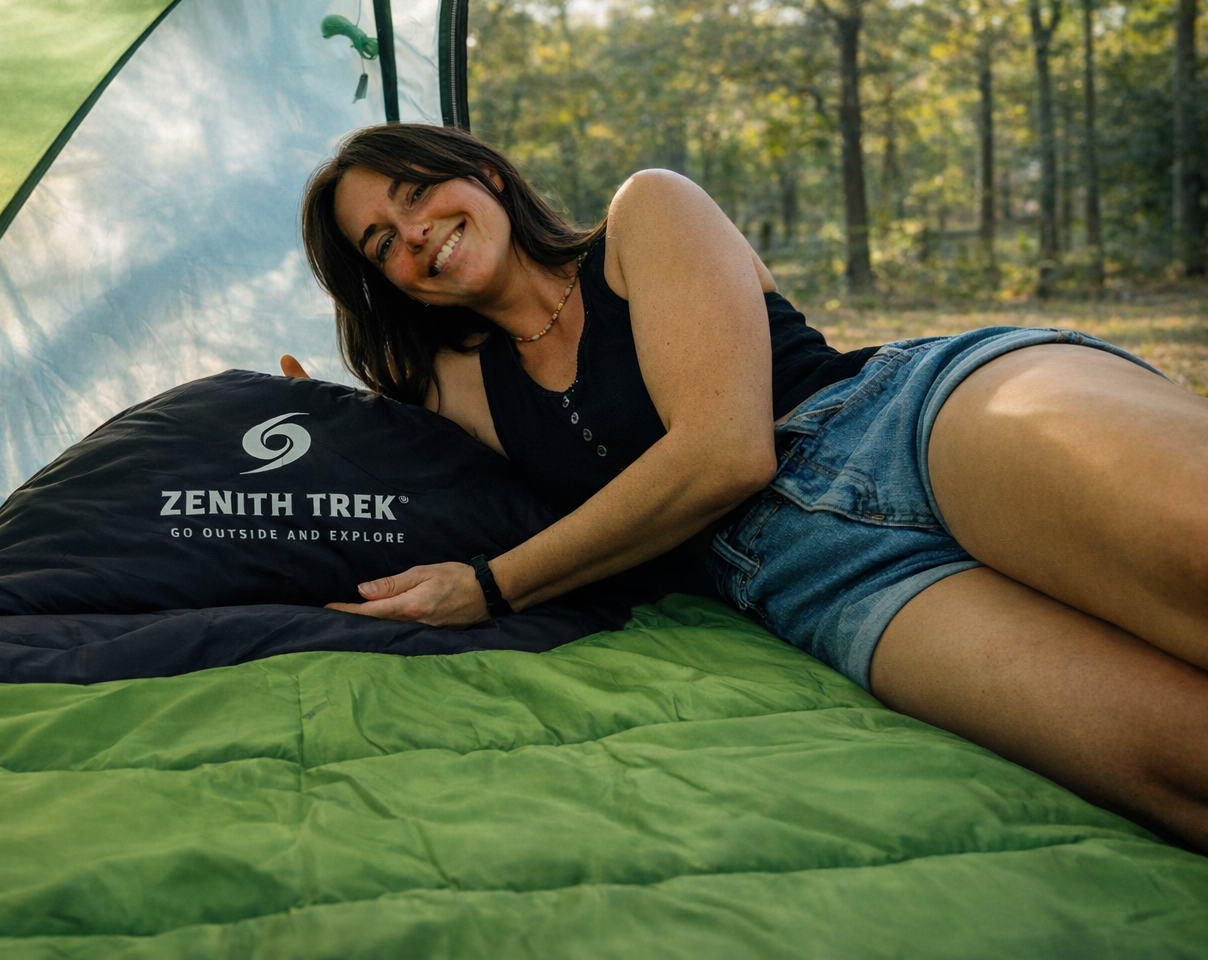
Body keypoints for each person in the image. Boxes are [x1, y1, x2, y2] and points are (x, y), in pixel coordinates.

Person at [288, 122, 1208, 852]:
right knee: (1177, 760)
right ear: (386, 283)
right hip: (814, 576)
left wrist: (491, 585)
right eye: (381, 244)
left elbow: (726, 453)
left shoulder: (646, 214)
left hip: (903, 420)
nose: (414, 234)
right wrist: (312, 421)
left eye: (417, 195)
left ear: (482, 175)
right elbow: (367, 466)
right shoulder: (458, 387)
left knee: (1190, 538)